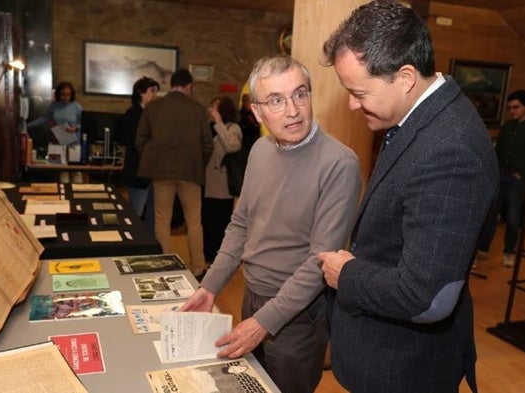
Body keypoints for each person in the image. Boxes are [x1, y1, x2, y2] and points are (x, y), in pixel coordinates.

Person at [318, 2, 499, 393]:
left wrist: (345, 273)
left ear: (404, 77)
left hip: (404, 370)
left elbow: (425, 296)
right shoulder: (421, 117)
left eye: (358, 92)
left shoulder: (449, 150)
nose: (351, 104)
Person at [181, 54, 361, 393]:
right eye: (276, 101)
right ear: (258, 113)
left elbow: (319, 261)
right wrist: (210, 286)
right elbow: (240, 224)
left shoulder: (340, 164)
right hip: (251, 296)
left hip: (298, 314)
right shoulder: (261, 150)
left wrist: (263, 323)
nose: (292, 110)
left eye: (300, 94)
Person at [136, 69, 213, 279]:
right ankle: (197, 266)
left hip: (161, 171)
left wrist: (153, 158)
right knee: (194, 220)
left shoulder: (154, 106)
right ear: (188, 86)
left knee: (162, 219)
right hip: (190, 171)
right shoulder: (198, 109)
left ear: (171, 85)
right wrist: (199, 162)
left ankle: (163, 264)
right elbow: (208, 144)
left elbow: (140, 138)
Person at [476, 89, 525, 268]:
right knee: (491, 216)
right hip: (501, 177)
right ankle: (481, 251)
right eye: (510, 108)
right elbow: (498, 152)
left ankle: (509, 252)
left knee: (513, 219)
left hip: (519, 182)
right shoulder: (508, 126)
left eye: (516, 107)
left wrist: (524, 173)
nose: (512, 111)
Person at [202, 96, 242, 264]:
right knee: (207, 222)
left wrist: (219, 123)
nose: (212, 110)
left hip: (222, 185)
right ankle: (208, 255)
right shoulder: (208, 127)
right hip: (206, 183)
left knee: (221, 223)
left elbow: (232, 146)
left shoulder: (233, 128)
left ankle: (220, 259)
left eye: (215, 107)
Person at [116, 76, 159, 230]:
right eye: (152, 91)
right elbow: (134, 141)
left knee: (152, 214)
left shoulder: (153, 114)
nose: (155, 95)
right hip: (138, 170)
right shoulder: (133, 114)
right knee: (136, 212)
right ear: (141, 93)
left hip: (153, 171)